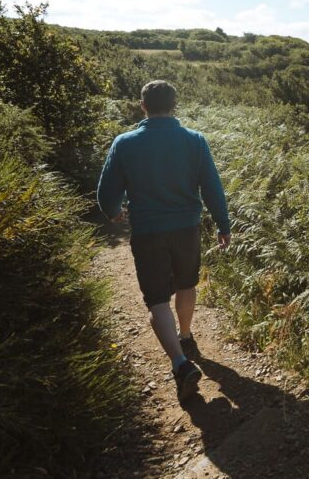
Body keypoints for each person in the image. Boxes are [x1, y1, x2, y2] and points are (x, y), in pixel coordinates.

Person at [97, 80, 231, 401]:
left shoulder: (124, 143)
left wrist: (115, 213)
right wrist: (223, 225)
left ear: (142, 106)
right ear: (174, 106)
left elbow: (106, 195)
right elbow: (212, 188)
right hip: (187, 228)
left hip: (147, 232)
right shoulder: (195, 141)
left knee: (157, 299)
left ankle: (180, 364)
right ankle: (186, 336)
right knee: (186, 284)